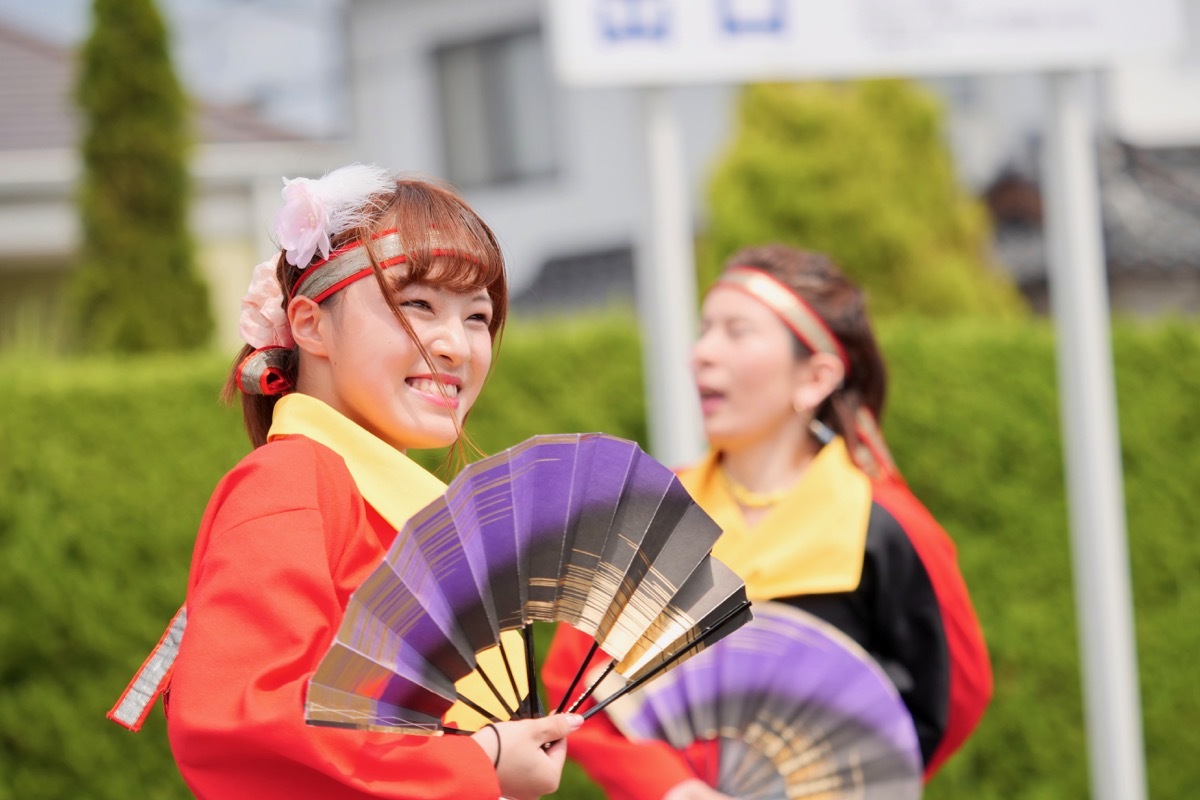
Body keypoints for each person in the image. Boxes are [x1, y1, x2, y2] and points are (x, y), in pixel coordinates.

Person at [108, 164, 582, 800]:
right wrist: (478, 761)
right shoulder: (291, 481)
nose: (457, 346)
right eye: (417, 304)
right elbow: (240, 716)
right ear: (308, 323)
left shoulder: (368, 493)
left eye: (477, 316)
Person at [542, 244, 993, 799]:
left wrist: (858, 781)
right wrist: (672, 789)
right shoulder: (648, 516)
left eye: (737, 331)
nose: (701, 353)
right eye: (704, 329)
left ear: (816, 377)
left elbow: (953, 694)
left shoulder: (885, 524)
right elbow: (575, 686)